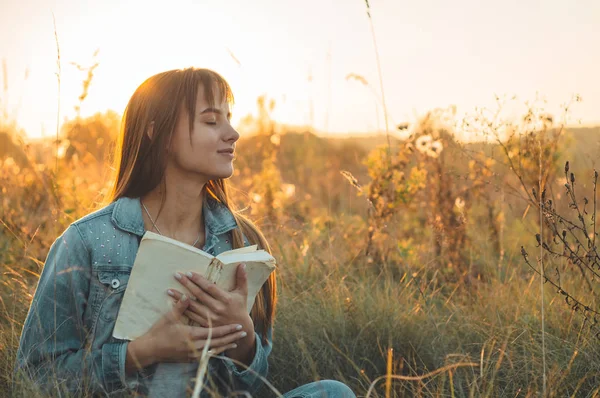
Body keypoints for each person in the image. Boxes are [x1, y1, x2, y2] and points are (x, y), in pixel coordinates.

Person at [15, 67, 355, 398]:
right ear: (158, 133)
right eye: (211, 120)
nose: (232, 133)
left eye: (229, 118)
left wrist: (244, 340)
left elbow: (251, 389)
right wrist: (141, 352)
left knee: (333, 393)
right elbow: (35, 376)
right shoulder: (87, 242)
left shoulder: (243, 241)